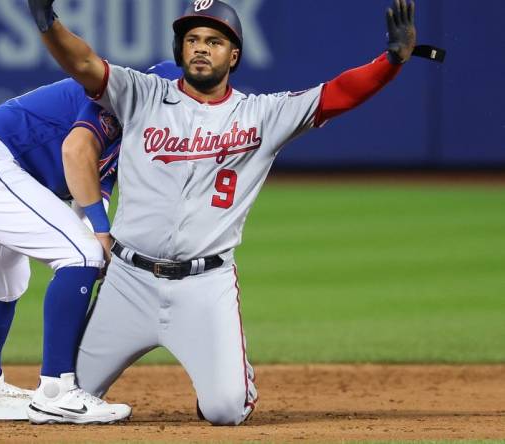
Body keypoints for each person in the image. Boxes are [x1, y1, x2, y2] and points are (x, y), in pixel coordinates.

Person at [27, 0, 419, 425]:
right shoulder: (140, 92)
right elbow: (83, 62)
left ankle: (231, 376)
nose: (201, 48)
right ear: (180, 50)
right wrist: (48, 23)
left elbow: (335, 94)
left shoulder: (262, 114)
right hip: (128, 282)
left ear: (233, 55)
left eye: (214, 41)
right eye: (192, 39)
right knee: (69, 396)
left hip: (204, 287)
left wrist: (391, 62)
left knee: (226, 411)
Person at [0, 63, 182, 424]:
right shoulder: (112, 97)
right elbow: (76, 153)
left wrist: (99, 240)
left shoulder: (133, 130)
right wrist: (97, 243)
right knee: (82, 254)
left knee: (7, 283)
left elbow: (93, 190)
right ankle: (56, 390)